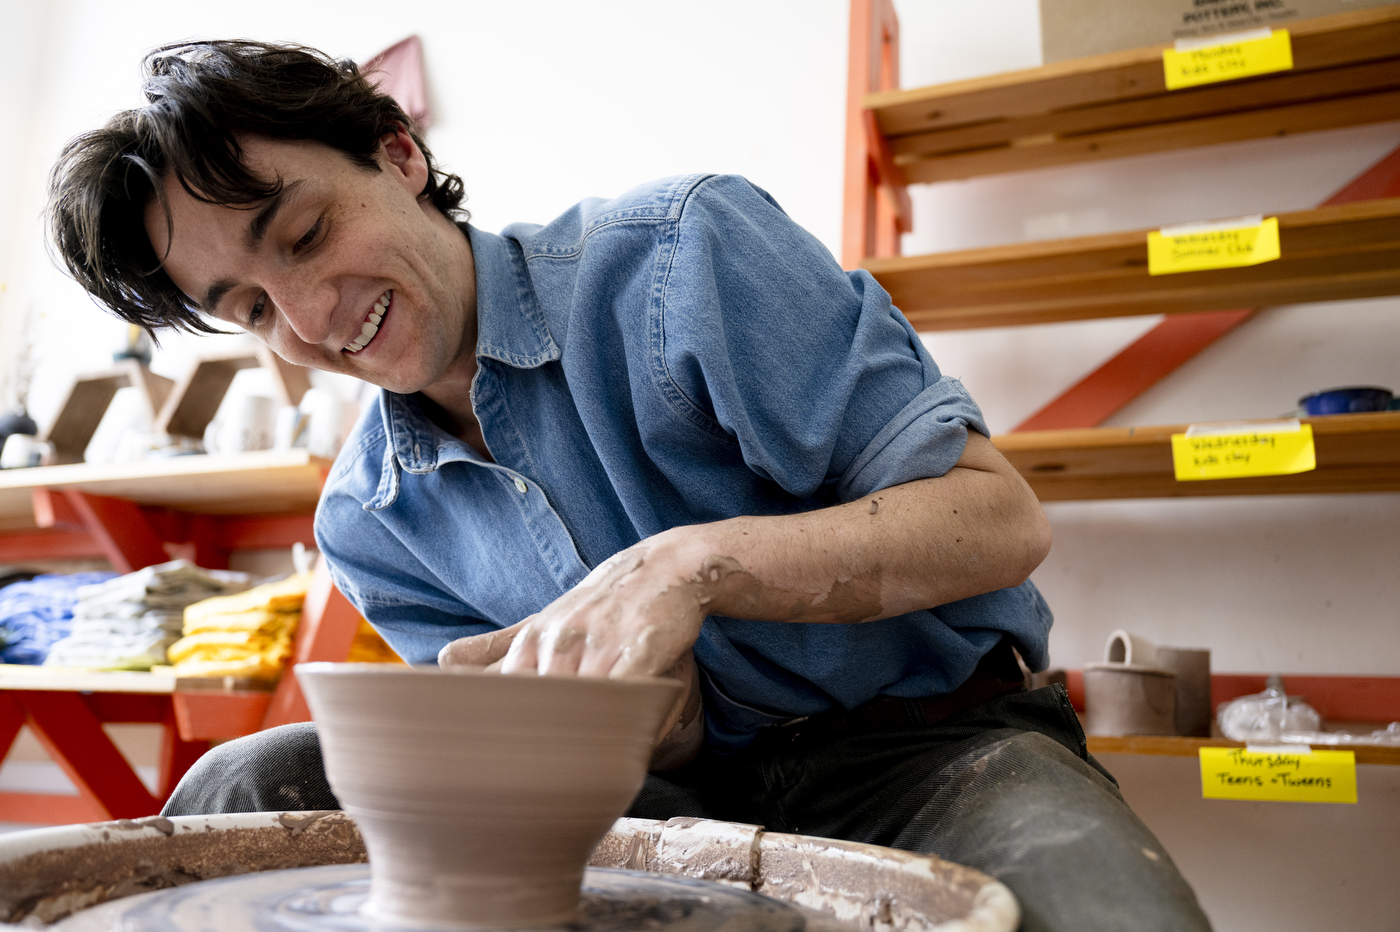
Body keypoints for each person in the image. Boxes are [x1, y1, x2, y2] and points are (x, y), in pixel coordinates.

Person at [48, 40, 1211, 932]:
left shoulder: (678, 260)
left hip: (933, 750)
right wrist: (584, 715)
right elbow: (639, 749)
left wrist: (686, 567)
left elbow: (997, 516)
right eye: (250, 309)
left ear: (396, 152)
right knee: (243, 779)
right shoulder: (370, 519)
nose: (307, 320)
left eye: (301, 234)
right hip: (661, 800)